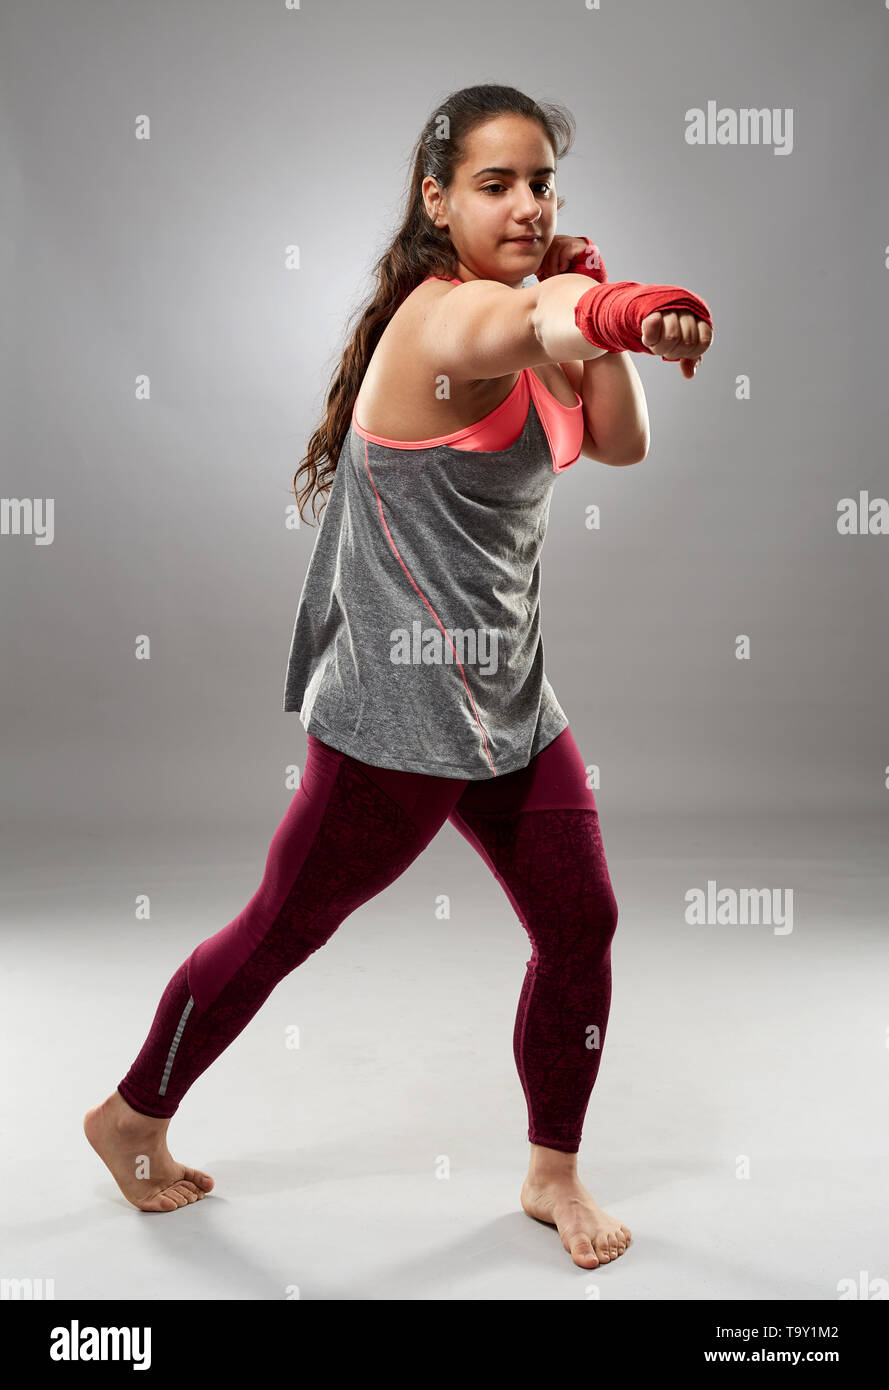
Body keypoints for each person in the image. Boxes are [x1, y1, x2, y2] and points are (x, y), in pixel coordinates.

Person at [84, 83, 713, 1271]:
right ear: (436, 201)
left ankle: (550, 1171)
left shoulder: (534, 308)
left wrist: (607, 311)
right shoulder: (446, 324)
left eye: (542, 184)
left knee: (582, 922)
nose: (527, 204)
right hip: (396, 719)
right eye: (496, 185)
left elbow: (619, 437)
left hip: (511, 706)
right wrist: (620, 305)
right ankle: (130, 1115)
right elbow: (531, 331)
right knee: (282, 928)